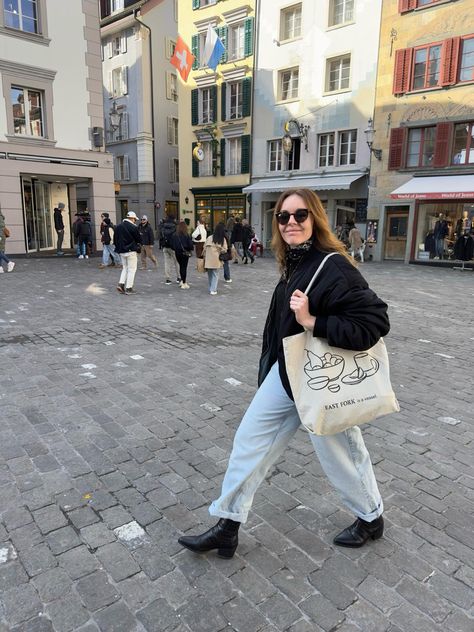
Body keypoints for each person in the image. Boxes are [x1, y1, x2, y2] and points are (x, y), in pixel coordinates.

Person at [178, 188, 390, 558]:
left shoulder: (333, 265)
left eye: (300, 215)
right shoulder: (293, 261)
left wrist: (312, 321)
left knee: (340, 452)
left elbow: (374, 322)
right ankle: (228, 525)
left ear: (315, 218)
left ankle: (370, 517)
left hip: (323, 378)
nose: (291, 222)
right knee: (249, 441)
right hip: (287, 374)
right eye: (283, 216)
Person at [114, 211, 142, 294]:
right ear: (132, 218)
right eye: (135, 219)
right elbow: (139, 239)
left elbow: (115, 239)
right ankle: (129, 288)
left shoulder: (118, 226)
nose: (135, 221)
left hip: (121, 251)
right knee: (132, 269)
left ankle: (121, 284)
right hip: (131, 250)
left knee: (125, 268)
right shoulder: (133, 227)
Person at [203, 222, 228, 295]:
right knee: (215, 274)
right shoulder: (222, 239)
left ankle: (211, 287)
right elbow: (224, 249)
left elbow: (204, 248)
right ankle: (213, 289)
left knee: (210, 274)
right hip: (216, 259)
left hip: (208, 259)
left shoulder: (209, 237)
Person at [171, 221, 194, 289]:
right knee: (184, 267)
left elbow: (172, 245)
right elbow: (190, 245)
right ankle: (184, 282)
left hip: (177, 253)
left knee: (181, 266)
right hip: (185, 253)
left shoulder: (175, 235)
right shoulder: (186, 235)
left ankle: (182, 280)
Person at [160, 214, 180, 285]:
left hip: (165, 246)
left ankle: (168, 278)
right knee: (177, 262)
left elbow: (160, 235)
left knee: (167, 263)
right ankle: (179, 277)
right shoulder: (175, 227)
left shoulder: (164, 226)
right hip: (174, 247)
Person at [0, 208, 14, 273]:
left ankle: (9, 262)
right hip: (1, 235)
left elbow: (1, 226)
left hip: (1, 235)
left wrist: (0, 236)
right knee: (1, 251)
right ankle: (0, 268)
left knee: (0, 251)